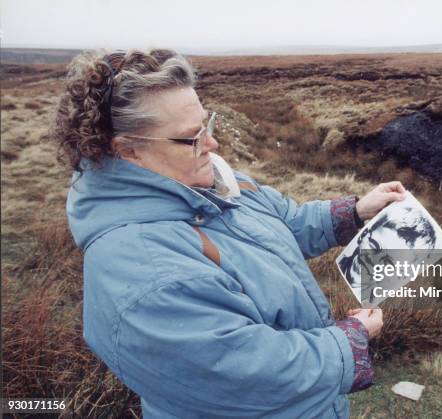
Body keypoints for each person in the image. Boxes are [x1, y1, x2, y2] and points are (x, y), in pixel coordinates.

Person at [54, 48, 406, 418]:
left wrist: (353, 213)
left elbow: (281, 223)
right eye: (192, 137)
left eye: (208, 125)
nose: (212, 144)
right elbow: (247, 373)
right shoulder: (147, 273)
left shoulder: (204, 180)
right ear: (128, 151)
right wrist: (350, 340)